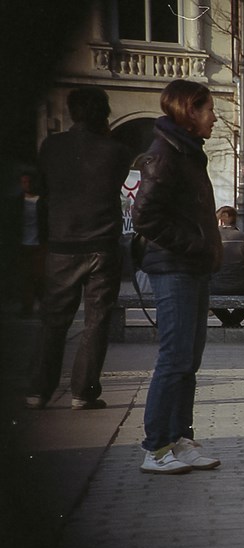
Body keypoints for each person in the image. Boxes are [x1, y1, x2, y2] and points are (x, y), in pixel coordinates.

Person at [132, 79, 223, 474]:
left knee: (188, 358)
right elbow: (145, 217)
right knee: (174, 357)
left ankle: (180, 439)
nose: (214, 117)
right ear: (189, 112)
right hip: (174, 268)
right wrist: (192, 245)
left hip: (192, 267)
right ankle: (155, 448)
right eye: (207, 110)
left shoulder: (186, 153)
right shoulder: (164, 155)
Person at [24, 87, 132, 411]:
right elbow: (115, 184)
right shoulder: (117, 151)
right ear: (105, 113)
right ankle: (83, 392)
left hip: (61, 244)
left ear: (72, 112)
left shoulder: (51, 147)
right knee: (96, 319)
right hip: (102, 245)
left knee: (54, 319)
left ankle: (38, 390)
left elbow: (42, 189)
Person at [209, 206, 244, 327]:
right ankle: (233, 321)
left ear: (220, 221)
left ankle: (228, 321)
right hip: (242, 285)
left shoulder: (210, 239)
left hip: (215, 286)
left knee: (205, 292)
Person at [15, 171, 46, 318]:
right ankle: (27, 307)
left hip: (38, 244)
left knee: (39, 277)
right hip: (23, 244)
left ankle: (42, 305)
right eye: (24, 182)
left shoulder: (42, 201)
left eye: (29, 182)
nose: (27, 185)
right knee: (25, 278)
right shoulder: (17, 202)